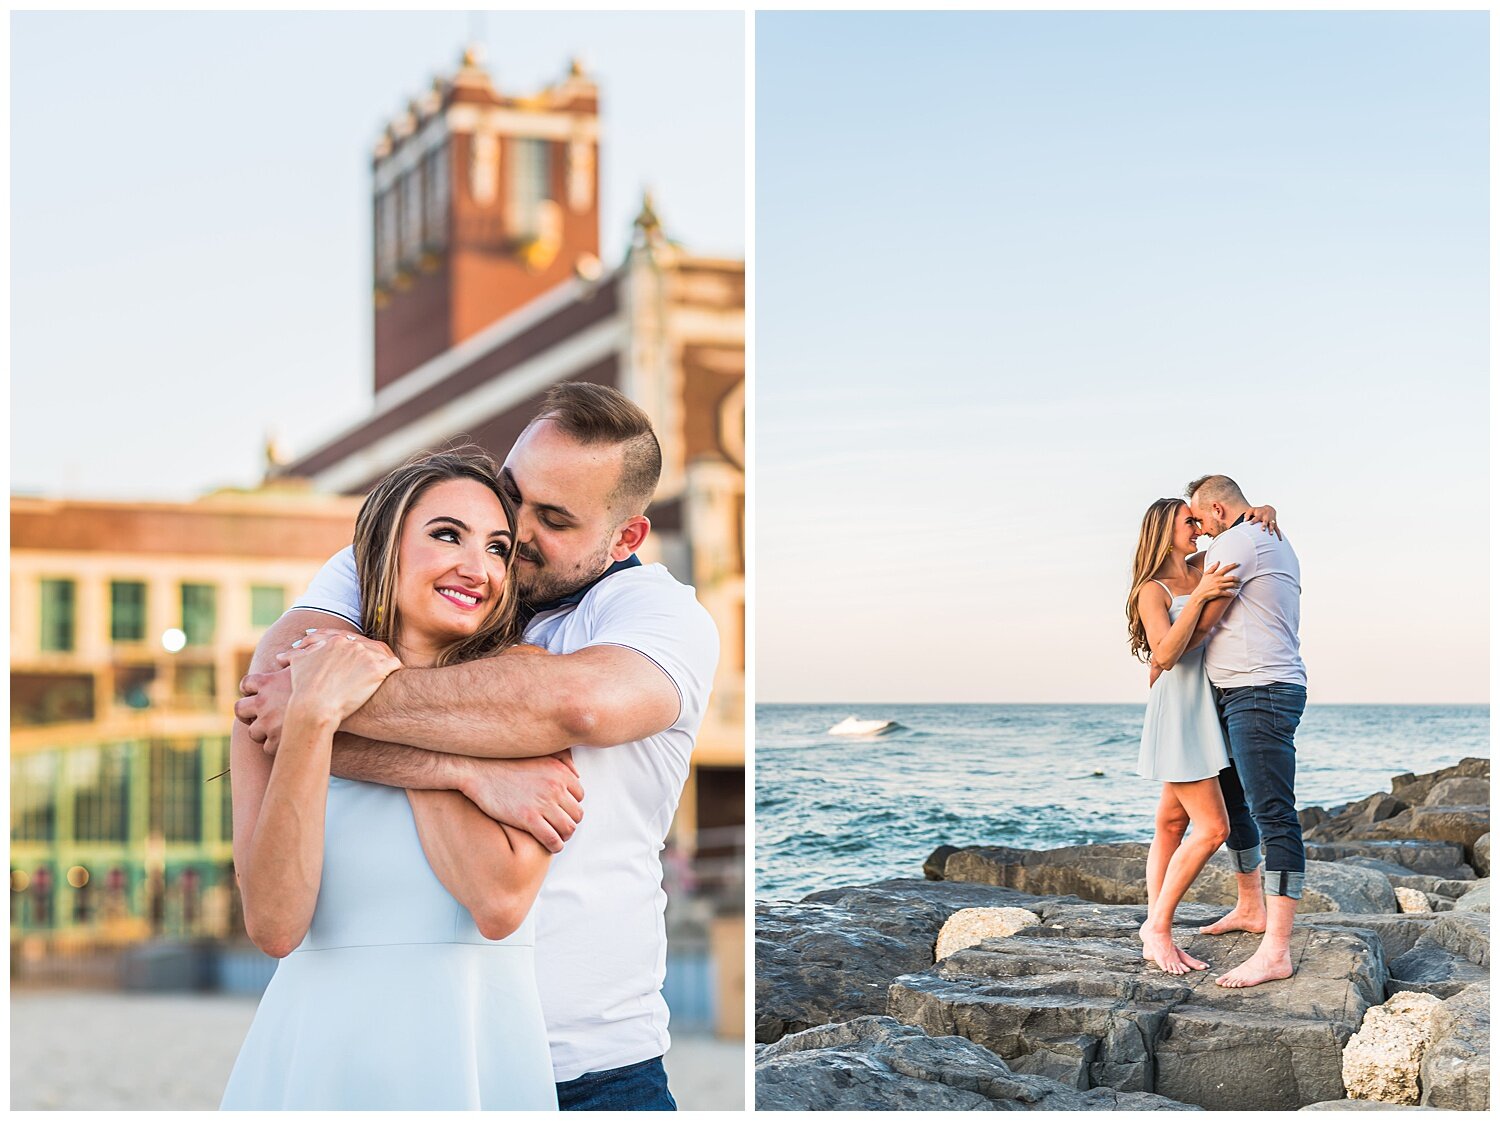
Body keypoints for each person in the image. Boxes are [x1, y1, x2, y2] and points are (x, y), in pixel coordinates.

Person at [233, 383, 720, 1109]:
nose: (510, 535)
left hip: (590, 1066)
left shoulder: (655, 612)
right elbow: (269, 693)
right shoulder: (413, 549)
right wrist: (460, 762)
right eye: (511, 494)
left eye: (551, 519)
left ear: (624, 538)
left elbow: (575, 704)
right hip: (359, 1050)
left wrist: (335, 714)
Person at [222, 449, 559, 1109]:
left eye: (497, 548)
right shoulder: (287, 691)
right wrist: (316, 714)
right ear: (382, 549)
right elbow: (274, 924)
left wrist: (411, 714)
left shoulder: (525, 688)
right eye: (446, 534)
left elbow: (497, 900)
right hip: (314, 1054)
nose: (477, 566)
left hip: (471, 1051)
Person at [1181, 473, 1307, 989]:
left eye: (1196, 518)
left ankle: (1276, 950)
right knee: (1236, 806)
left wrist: (1162, 657)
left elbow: (1203, 620)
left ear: (1215, 508)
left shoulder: (1238, 539)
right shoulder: (1264, 533)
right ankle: (1250, 907)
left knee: (1273, 813)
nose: (1197, 529)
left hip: (1260, 691)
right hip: (1241, 692)